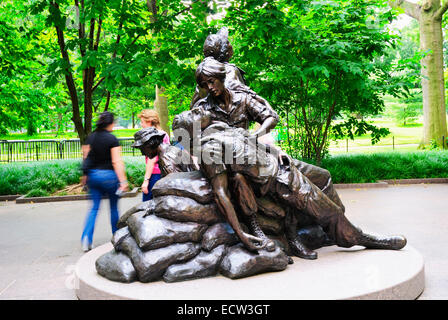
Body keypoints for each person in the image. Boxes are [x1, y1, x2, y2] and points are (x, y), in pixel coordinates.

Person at [182, 58, 407, 257]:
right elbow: (193, 142)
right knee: (295, 188)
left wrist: (259, 137)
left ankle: (333, 226)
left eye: (212, 82)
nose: (209, 88)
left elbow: (270, 117)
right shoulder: (203, 111)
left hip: (260, 152)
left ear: (222, 77)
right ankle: (351, 235)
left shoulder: (242, 98)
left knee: (323, 176)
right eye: (204, 85)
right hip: (247, 168)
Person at [80, 112, 129, 252]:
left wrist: (85, 176)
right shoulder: (112, 139)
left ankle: (86, 239)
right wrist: (123, 180)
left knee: (94, 208)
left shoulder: (90, 137)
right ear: (110, 123)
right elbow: (116, 161)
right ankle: (117, 237)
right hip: (109, 177)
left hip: (93, 176)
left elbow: (85, 158)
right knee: (113, 208)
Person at [138, 109, 170, 201]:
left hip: (154, 175)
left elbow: (152, 160)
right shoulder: (164, 134)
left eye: (142, 122)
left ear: (149, 122)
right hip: (164, 173)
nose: (141, 124)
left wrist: (146, 180)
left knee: (146, 206)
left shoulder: (152, 137)